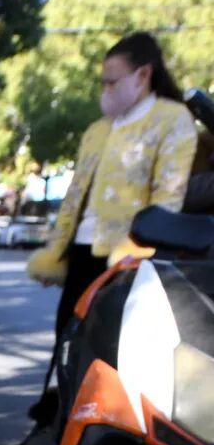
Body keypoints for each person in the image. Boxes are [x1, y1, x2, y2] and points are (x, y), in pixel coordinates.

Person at [28, 32, 197, 342]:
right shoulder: (97, 130)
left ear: (143, 75)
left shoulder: (172, 119)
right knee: (67, 348)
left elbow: (168, 197)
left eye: (112, 82)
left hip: (129, 259)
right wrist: (55, 254)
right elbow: (74, 199)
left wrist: (136, 251)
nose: (105, 90)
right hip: (82, 252)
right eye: (102, 82)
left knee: (110, 356)